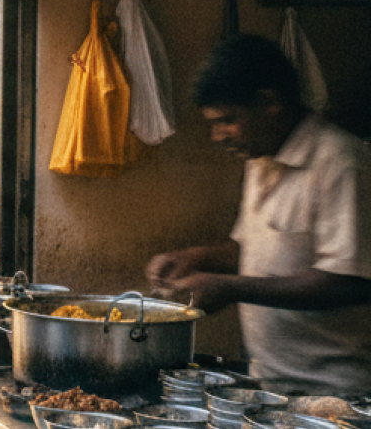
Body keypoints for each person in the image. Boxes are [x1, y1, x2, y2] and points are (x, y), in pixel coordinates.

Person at [146, 34, 371, 395]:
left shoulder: (341, 162)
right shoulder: (260, 158)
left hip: (335, 391)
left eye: (227, 120)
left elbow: (349, 281)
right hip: (271, 381)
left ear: (269, 103)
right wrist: (196, 258)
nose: (218, 136)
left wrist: (229, 288)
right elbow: (252, 249)